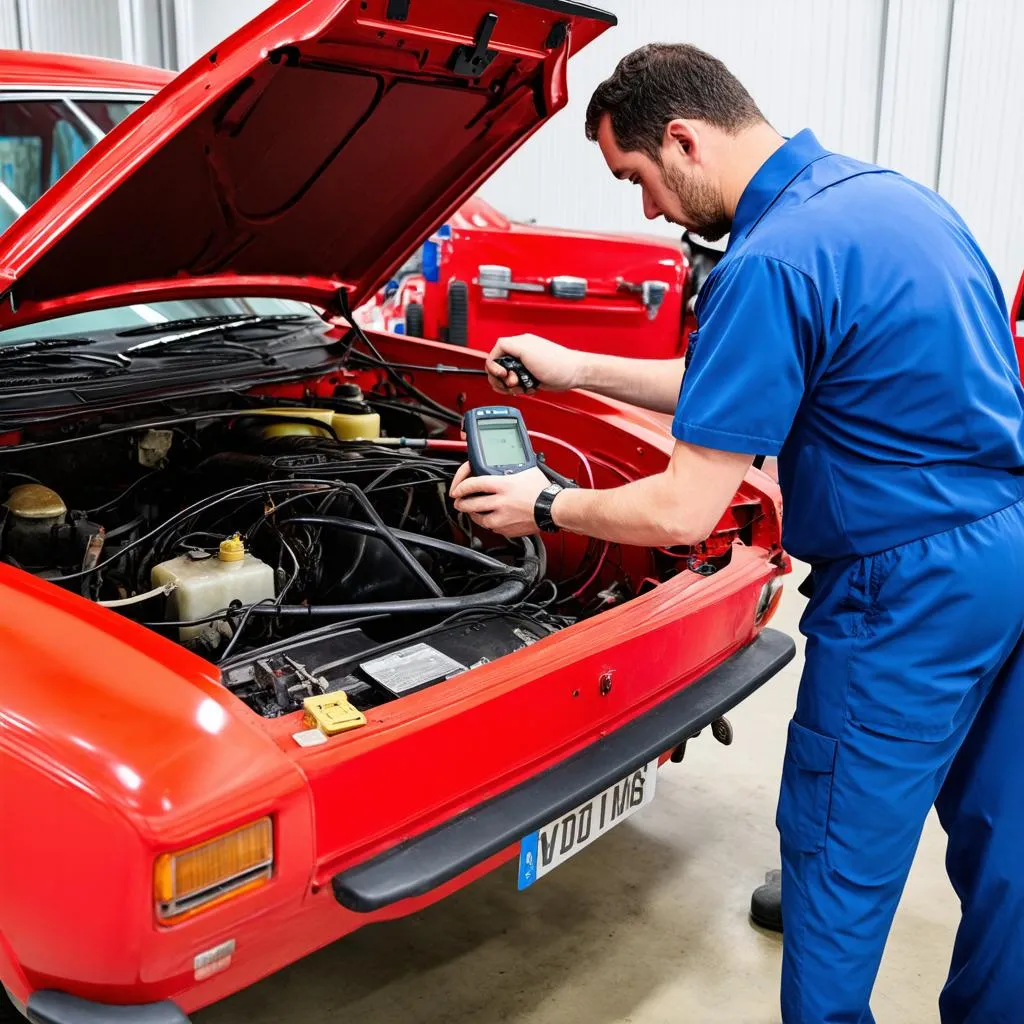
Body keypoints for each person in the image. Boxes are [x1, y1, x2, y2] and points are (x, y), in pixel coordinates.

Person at [448, 43, 1024, 1024]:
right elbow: (755, 377)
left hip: (903, 591)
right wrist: (571, 365)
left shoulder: (769, 258)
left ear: (681, 140)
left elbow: (681, 510)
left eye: (635, 180)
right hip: (1004, 555)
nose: (646, 212)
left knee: (834, 863)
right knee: (1004, 841)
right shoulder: (889, 202)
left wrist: (542, 505)